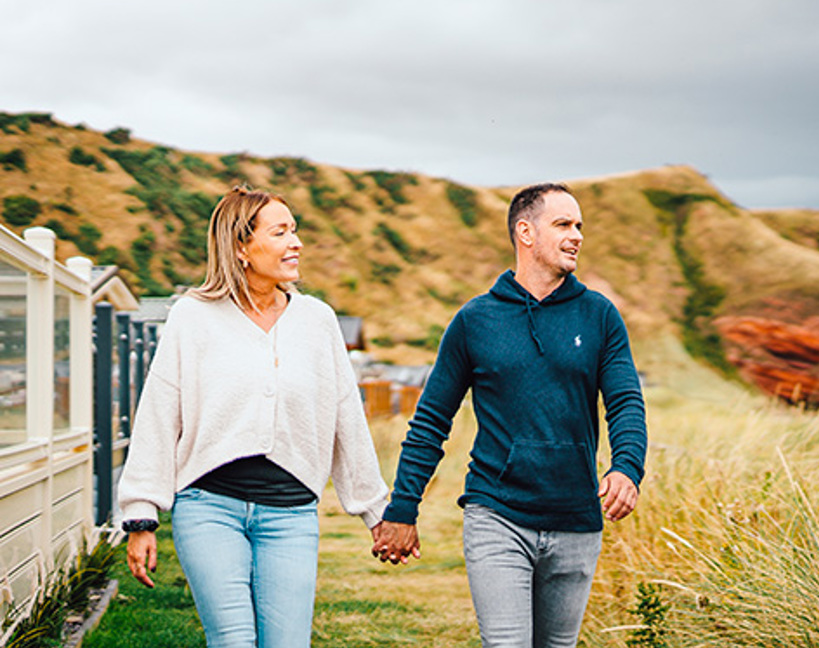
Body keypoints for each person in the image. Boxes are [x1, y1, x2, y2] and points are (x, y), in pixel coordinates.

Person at [372, 182, 648, 647]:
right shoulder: (475, 320)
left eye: (580, 225)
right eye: (563, 224)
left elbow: (625, 401)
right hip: (497, 515)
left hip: (577, 518)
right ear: (525, 231)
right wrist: (403, 507)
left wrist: (627, 468)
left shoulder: (600, 316)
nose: (577, 235)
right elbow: (430, 421)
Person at [117, 186, 390, 648]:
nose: (296, 242)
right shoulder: (192, 317)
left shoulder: (317, 320)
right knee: (233, 641)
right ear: (241, 247)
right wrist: (142, 516)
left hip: (291, 513)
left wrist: (376, 511)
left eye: (295, 230)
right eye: (281, 232)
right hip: (208, 508)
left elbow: (347, 415)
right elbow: (159, 415)